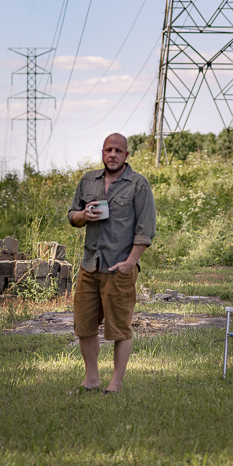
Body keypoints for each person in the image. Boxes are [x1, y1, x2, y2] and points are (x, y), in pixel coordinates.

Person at [68, 132, 156, 393]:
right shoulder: (88, 181)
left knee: (119, 328)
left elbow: (146, 229)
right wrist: (83, 215)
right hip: (89, 265)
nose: (113, 155)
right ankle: (92, 379)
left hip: (119, 268)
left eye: (118, 151)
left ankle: (115, 383)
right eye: (108, 150)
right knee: (84, 325)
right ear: (102, 153)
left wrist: (131, 263)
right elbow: (72, 216)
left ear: (127, 155)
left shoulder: (138, 185)